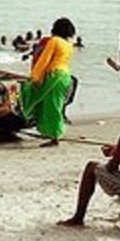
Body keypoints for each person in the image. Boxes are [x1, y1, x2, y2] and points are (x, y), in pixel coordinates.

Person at [20, 17, 76, 147]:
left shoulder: (54, 41)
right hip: (66, 76)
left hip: (54, 76)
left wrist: (34, 77)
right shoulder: (69, 45)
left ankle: (55, 136)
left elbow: (44, 60)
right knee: (55, 105)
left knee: (50, 106)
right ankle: (52, 133)